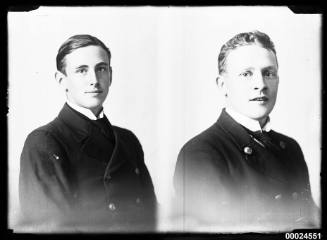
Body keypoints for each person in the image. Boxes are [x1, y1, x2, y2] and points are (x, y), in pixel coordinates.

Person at [173, 30, 320, 231]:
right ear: (222, 85)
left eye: (268, 73)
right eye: (246, 74)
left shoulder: (290, 148)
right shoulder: (200, 154)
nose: (260, 85)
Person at [19, 34, 157, 232]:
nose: (94, 80)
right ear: (62, 80)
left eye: (101, 69)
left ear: (111, 75)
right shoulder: (45, 142)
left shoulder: (127, 140)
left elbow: (151, 216)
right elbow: (51, 226)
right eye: (81, 71)